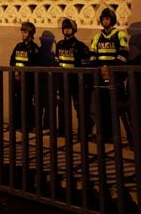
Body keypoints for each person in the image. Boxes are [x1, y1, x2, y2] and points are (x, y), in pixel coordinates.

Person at [90, 7, 132, 143]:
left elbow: (124, 55)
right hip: (101, 76)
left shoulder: (120, 35)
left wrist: (110, 69)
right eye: (103, 19)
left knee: (120, 107)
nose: (105, 21)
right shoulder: (97, 36)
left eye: (107, 19)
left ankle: (128, 136)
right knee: (102, 107)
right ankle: (105, 135)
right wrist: (101, 69)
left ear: (112, 20)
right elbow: (92, 55)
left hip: (116, 76)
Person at [55, 17, 93, 136]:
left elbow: (86, 65)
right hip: (63, 81)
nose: (66, 31)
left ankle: (83, 131)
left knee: (80, 107)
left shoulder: (80, 46)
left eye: (68, 28)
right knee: (62, 106)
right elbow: (57, 63)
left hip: (76, 81)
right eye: (64, 29)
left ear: (74, 29)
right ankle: (63, 130)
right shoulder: (59, 45)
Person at [9, 21, 39, 131]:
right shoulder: (19, 46)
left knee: (27, 102)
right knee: (17, 102)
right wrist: (16, 73)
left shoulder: (34, 48)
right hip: (17, 79)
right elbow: (12, 61)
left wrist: (24, 75)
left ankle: (28, 125)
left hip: (28, 80)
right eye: (22, 32)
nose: (23, 35)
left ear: (31, 34)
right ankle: (16, 124)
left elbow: (35, 65)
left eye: (25, 32)